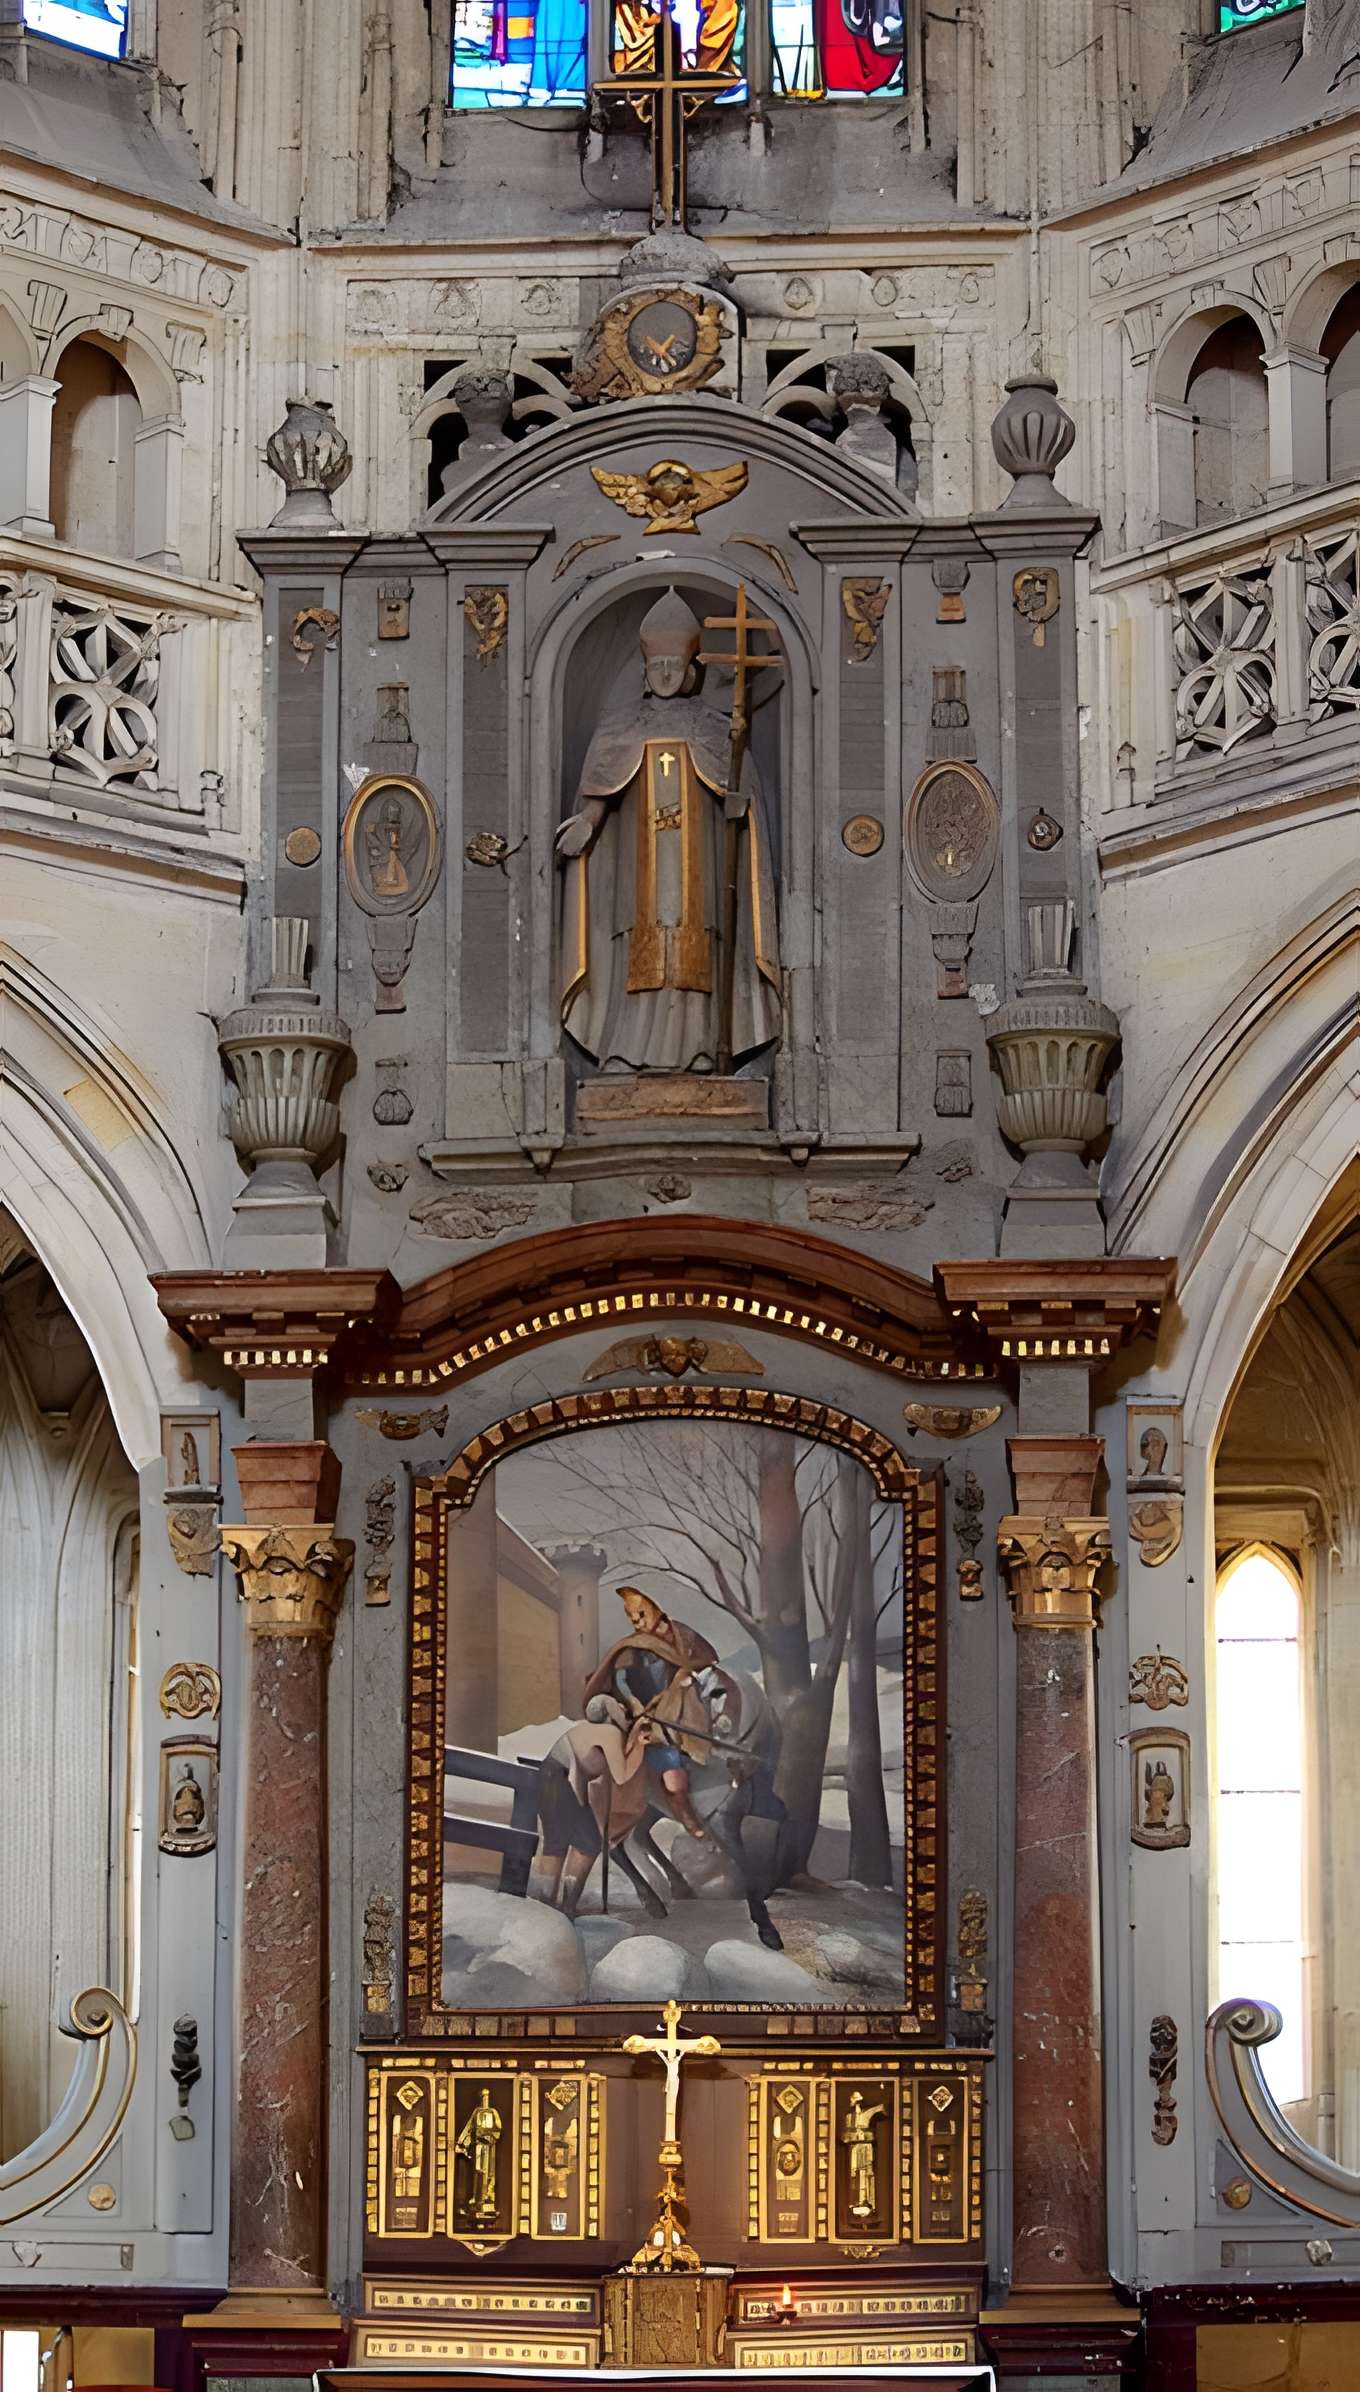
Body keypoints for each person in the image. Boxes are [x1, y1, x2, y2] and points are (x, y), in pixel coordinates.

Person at [582, 1585, 722, 1842]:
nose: (638, 1623)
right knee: (669, 1763)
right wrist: (634, 1705)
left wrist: (687, 1675)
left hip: (687, 1706)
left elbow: (710, 1660)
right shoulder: (634, 1646)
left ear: (656, 1610)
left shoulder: (683, 1635)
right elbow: (621, 1680)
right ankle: (685, 1812)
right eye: (633, 1619)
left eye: (642, 1615)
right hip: (651, 1716)